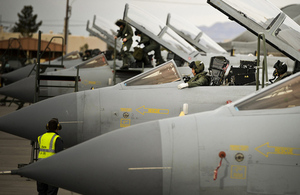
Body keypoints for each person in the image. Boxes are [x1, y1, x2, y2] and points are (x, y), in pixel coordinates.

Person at [36, 118, 63, 195]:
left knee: (41, 192)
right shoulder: (56, 138)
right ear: (58, 127)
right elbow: (60, 155)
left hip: (40, 168)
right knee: (51, 192)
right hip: (52, 169)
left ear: (47, 126)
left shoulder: (41, 137)